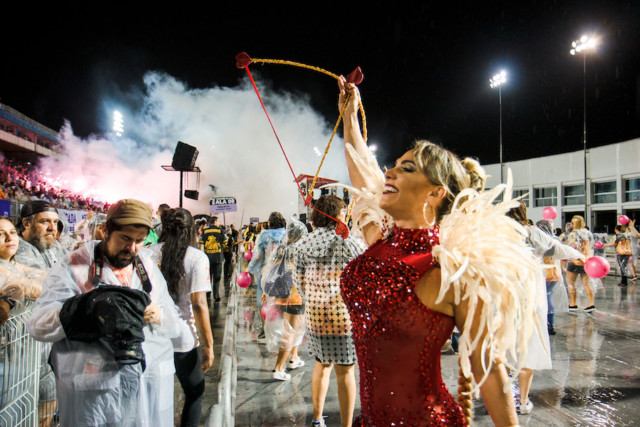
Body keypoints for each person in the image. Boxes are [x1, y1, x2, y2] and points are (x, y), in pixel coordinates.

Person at [337, 77, 541, 426]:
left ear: (435, 193)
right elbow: (364, 175)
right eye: (395, 164)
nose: (390, 171)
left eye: (407, 168)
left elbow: (490, 372)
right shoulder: (380, 239)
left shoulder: (454, 270)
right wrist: (349, 118)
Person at [28, 199, 192, 426]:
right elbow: (37, 325)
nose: (132, 248)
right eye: (125, 238)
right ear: (105, 230)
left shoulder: (147, 267)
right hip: (94, 398)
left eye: (139, 241)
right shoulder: (74, 265)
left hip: (146, 392)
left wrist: (159, 314)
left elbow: (176, 327)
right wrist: (88, 309)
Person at [293, 195, 366, 427]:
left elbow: (299, 280)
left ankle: (317, 419)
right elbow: (363, 280)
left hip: (316, 316)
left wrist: (312, 300)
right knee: (346, 372)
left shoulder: (303, 244)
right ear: (337, 215)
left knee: (321, 365)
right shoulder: (352, 243)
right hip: (344, 316)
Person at [508, 205, 584, 415]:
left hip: (502, 300)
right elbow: (557, 249)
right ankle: (523, 402)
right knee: (527, 350)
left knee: (500, 351)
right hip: (530, 301)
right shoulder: (532, 233)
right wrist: (580, 255)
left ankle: (501, 398)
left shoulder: (495, 234)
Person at [149, 208, 214, 427]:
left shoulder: (145, 254)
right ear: (192, 230)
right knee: (195, 393)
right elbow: (198, 303)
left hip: (150, 337)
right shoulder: (196, 257)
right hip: (183, 339)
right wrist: (208, 345)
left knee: (152, 398)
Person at [261, 219, 308, 381]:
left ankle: (293, 359)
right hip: (296, 297)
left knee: (296, 330)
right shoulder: (302, 249)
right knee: (290, 333)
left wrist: (267, 293)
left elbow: (269, 271)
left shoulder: (281, 248)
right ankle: (278, 368)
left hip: (280, 296)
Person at [0, 216, 45, 323]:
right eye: (1, 234)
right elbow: (25, 286)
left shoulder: (14, 264)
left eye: (12, 232)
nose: (9, 238)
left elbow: (44, 277)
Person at [247, 212, 287, 327]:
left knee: (263, 300)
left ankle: (265, 329)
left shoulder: (263, 235)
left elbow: (258, 255)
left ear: (269, 223)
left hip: (266, 272)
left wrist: (251, 268)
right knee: (282, 300)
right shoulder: (286, 235)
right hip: (283, 272)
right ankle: (281, 327)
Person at [14, 200, 67, 270]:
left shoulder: (53, 244)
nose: (52, 228)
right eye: (45, 221)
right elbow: (37, 277)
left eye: (55, 222)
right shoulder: (16, 248)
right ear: (26, 224)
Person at [564, 215, 597, 312]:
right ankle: (591, 303)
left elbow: (571, 247)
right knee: (587, 283)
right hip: (586, 261)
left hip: (575, 260)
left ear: (573, 224)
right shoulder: (588, 233)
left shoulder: (572, 234)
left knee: (570, 283)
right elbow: (591, 246)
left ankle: (573, 304)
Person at [604, 221, 639, 287]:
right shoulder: (627, 234)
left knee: (622, 267)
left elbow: (614, 243)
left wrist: (606, 245)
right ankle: (624, 280)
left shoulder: (617, 235)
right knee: (624, 266)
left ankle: (624, 281)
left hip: (620, 253)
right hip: (628, 252)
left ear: (616, 229)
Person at [200, 216, 226, 303]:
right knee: (217, 277)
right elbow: (225, 242)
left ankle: (207, 294)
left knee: (208, 277)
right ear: (215, 222)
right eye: (218, 221)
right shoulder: (220, 231)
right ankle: (216, 296)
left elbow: (201, 243)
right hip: (218, 257)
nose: (219, 223)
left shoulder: (205, 231)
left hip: (207, 257)